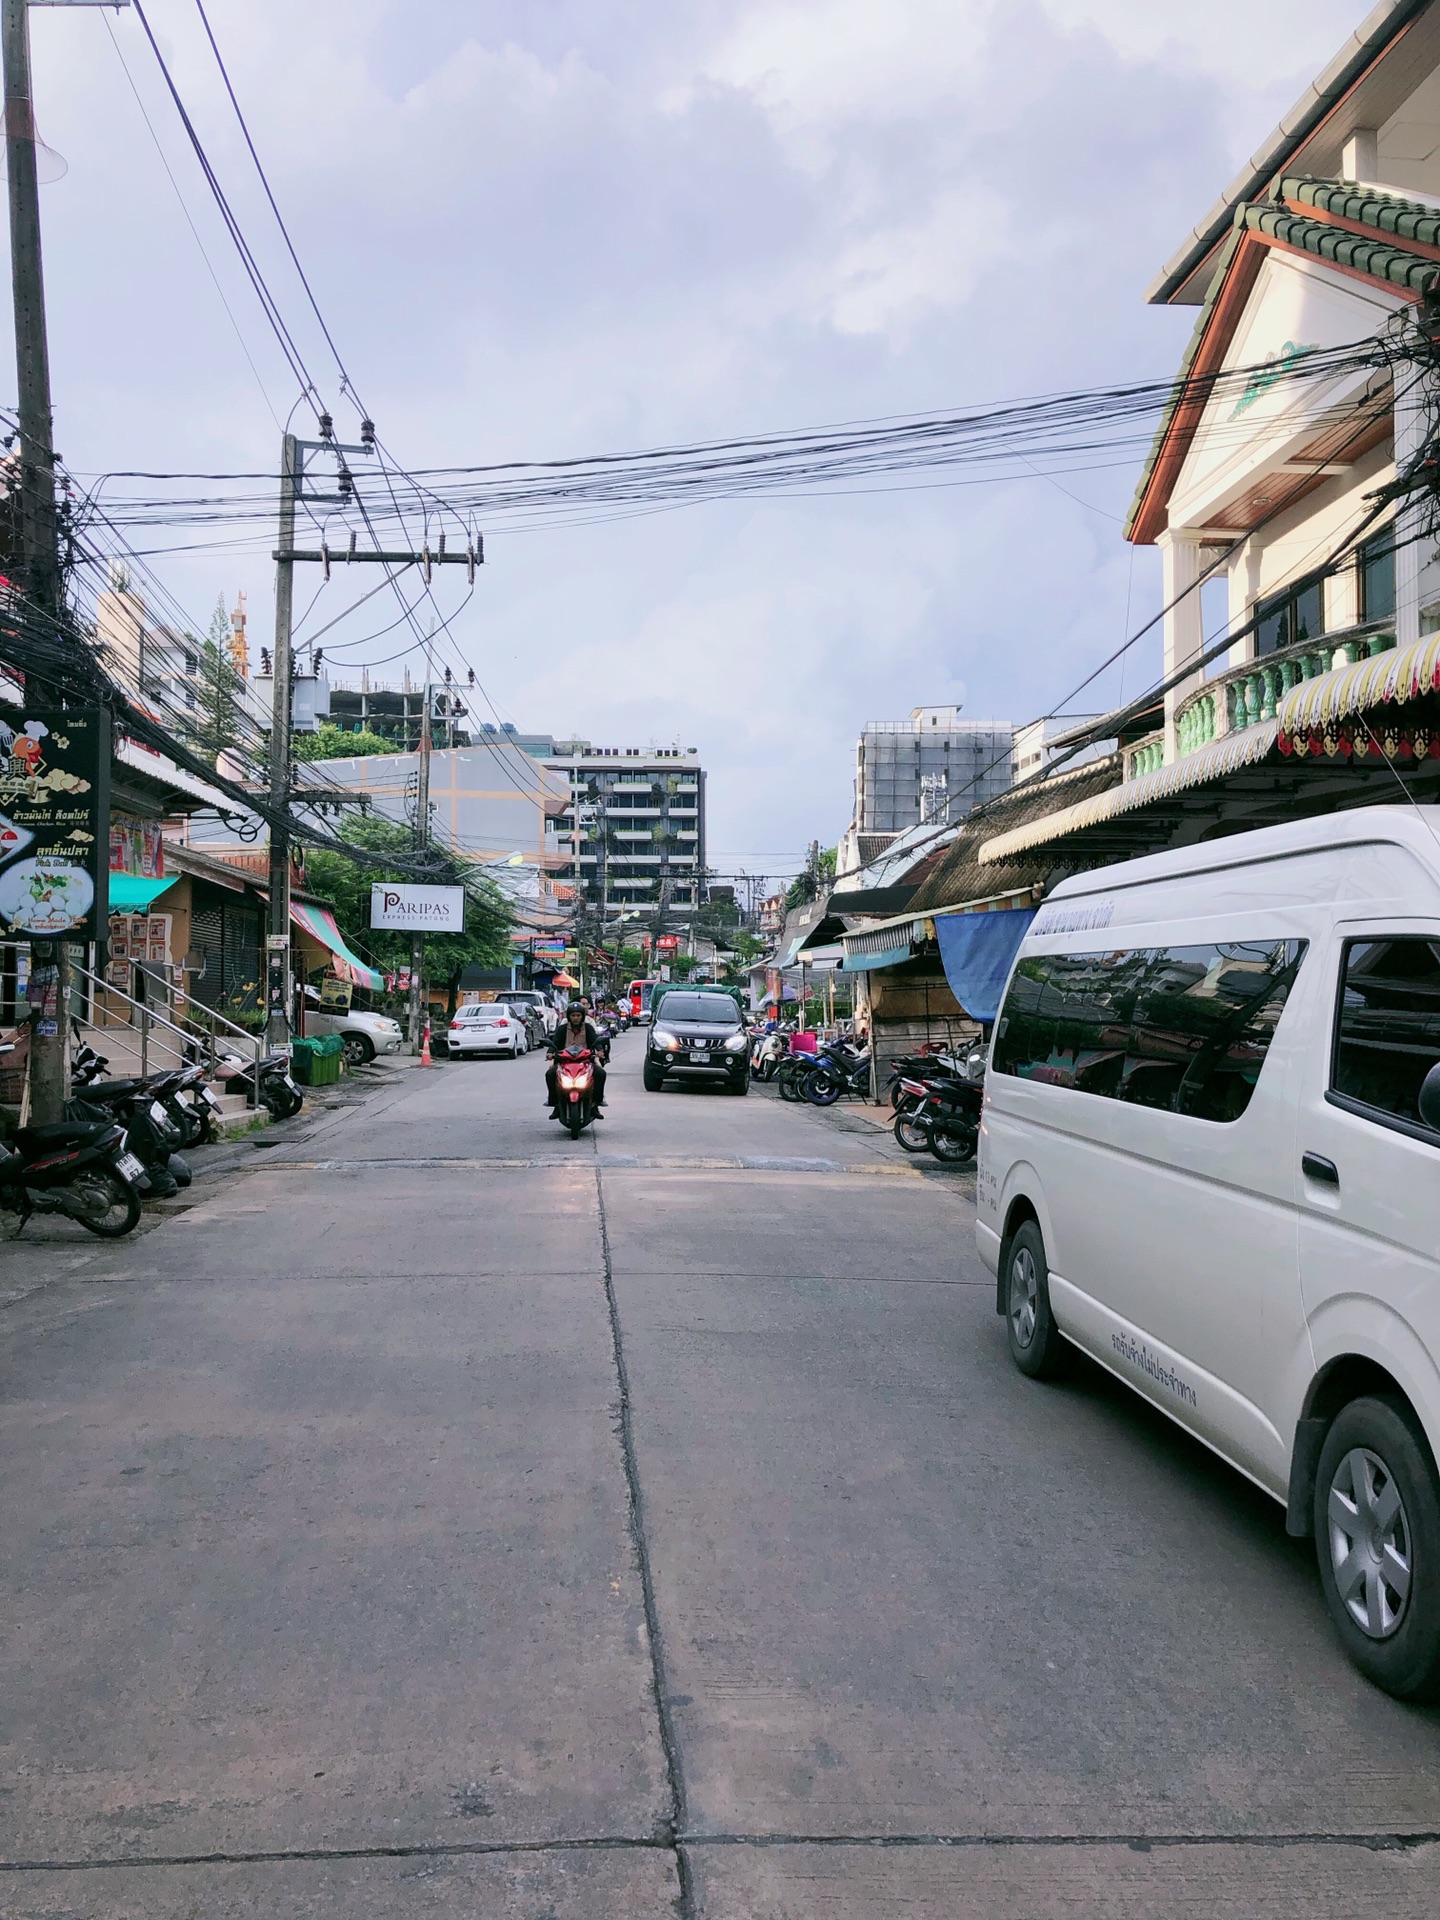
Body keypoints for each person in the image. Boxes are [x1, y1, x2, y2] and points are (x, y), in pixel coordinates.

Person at [546, 1000, 607, 1113]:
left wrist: (599, 1051)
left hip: (585, 1060)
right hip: (564, 1061)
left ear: (582, 1016)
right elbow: (555, 1043)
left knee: (600, 1073)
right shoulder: (562, 1029)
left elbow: (595, 1041)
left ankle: (596, 1103)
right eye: (573, 1015)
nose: (575, 1018)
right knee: (550, 1074)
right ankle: (555, 1103)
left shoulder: (588, 1028)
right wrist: (550, 1053)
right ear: (569, 1016)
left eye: (578, 1015)